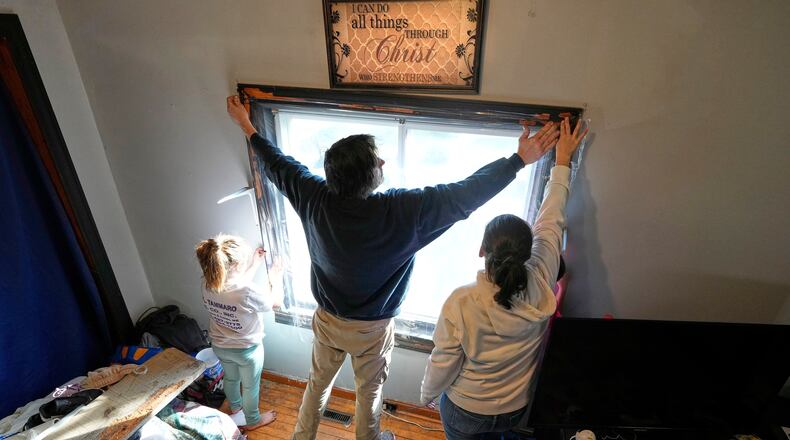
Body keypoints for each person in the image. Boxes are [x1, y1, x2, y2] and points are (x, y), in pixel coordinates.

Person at [225, 95, 560, 440]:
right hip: (372, 329)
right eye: (376, 160)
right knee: (368, 397)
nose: (383, 160)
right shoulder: (403, 213)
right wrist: (519, 159)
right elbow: (463, 195)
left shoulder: (313, 196)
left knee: (316, 386)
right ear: (366, 176)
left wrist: (247, 125)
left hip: (327, 320)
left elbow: (277, 164)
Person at [419, 117, 588, 439]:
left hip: (467, 409)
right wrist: (563, 160)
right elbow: (551, 218)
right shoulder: (543, 275)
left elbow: (443, 361)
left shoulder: (462, 301)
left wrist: (427, 394)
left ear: (482, 250)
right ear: (528, 252)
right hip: (514, 408)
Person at [195, 234, 279, 432]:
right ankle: (252, 420)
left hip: (220, 346)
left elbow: (234, 290)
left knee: (231, 379)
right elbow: (273, 303)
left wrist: (254, 264)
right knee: (250, 387)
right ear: (235, 265)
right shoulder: (246, 290)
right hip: (247, 350)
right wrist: (275, 279)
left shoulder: (208, 284)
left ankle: (235, 408)